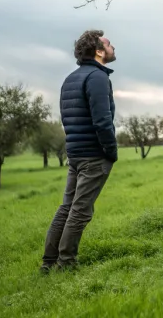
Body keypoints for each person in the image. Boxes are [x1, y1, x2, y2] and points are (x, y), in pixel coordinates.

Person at [40, 30, 118, 273]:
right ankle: (66, 263)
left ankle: (48, 263)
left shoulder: (71, 79)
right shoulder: (97, 78)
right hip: (93, 155)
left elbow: (68, 119)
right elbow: (102, 121)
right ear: (98, 51)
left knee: (67, 207)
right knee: (80, 211)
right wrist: (110, 151)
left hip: (75, 153)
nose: (113, 46)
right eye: (108, 43)